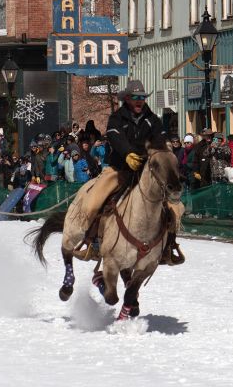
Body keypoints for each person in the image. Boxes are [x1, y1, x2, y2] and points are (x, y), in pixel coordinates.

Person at [63, 80, 180, 262]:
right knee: (93, 202)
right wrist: (127, 154)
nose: (139, 100)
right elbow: (114, 136)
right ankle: (90, 242)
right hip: (118, 170)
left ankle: (169, 246)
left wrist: (165, 149)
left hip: (146, 173)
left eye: (142, 97)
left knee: (175, 207)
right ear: (127, 98)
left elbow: (160, 137)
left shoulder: (152, 120)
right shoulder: (117, 118)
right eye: (135, 97)